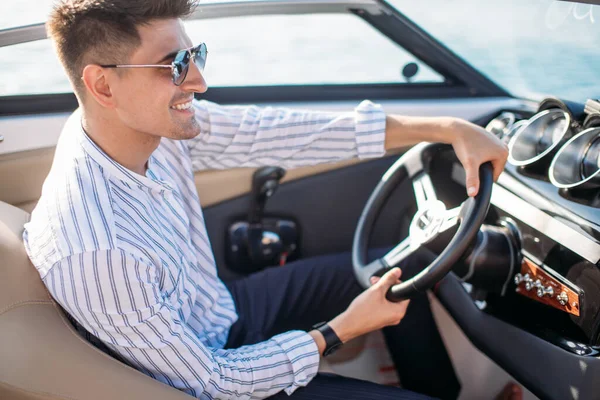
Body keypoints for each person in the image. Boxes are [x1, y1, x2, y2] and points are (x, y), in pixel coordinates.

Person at [23, 0, 515, 399]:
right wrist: (339, 330)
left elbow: (271, 132)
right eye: (174, 65)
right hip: (217, 375)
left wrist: (445, 128)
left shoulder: (132, 128)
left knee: (396, 270)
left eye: (197, 55)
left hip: (216, 312)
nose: (198, 80)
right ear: (102, 84)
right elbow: (213, 382)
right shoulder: (98, 251)